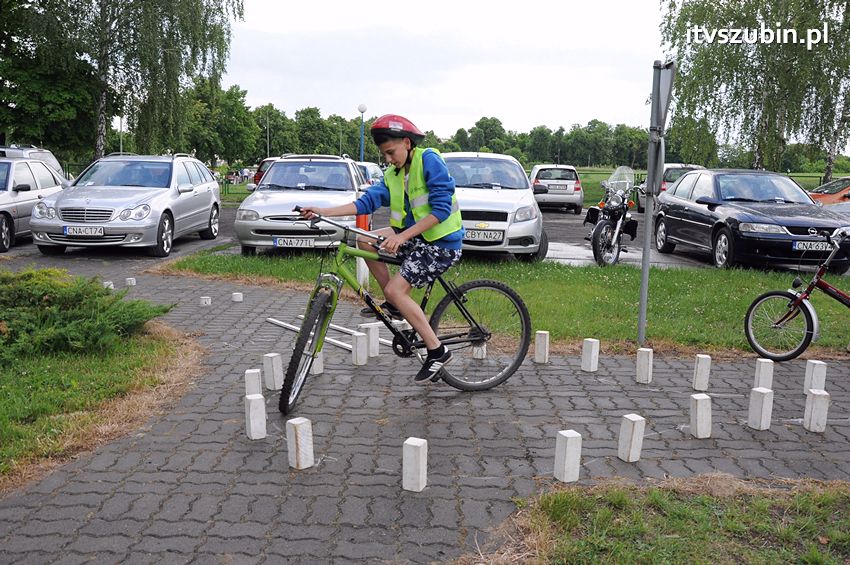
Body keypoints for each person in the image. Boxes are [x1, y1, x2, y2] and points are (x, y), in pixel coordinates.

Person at [297, 114, 464, 383]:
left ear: (407, 143)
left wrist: (401, 237)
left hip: (441, 243)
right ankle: (396, 305)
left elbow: (442, 210)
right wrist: (323, 211)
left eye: (390, 152)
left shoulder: (428, 160)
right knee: (363, 238)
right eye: (383, 154)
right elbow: (367, 202)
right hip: (414, 238)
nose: (388, 159)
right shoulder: (394, 173)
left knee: (396, 289)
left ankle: (437, 351)